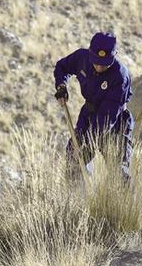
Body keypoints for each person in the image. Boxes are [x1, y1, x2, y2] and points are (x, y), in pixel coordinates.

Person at [54, 31, 134, 180]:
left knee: (118, 172)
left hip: (115, 123)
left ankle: (126, 196)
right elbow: (62, 67)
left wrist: (88, 145)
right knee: (73, 159)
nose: (99, 67)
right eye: (96, 62)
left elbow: (106, 119)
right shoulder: (81, 58)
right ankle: (78, 192)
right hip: (88, 115)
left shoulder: (120, 76)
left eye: (104, 64)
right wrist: (61, 86)